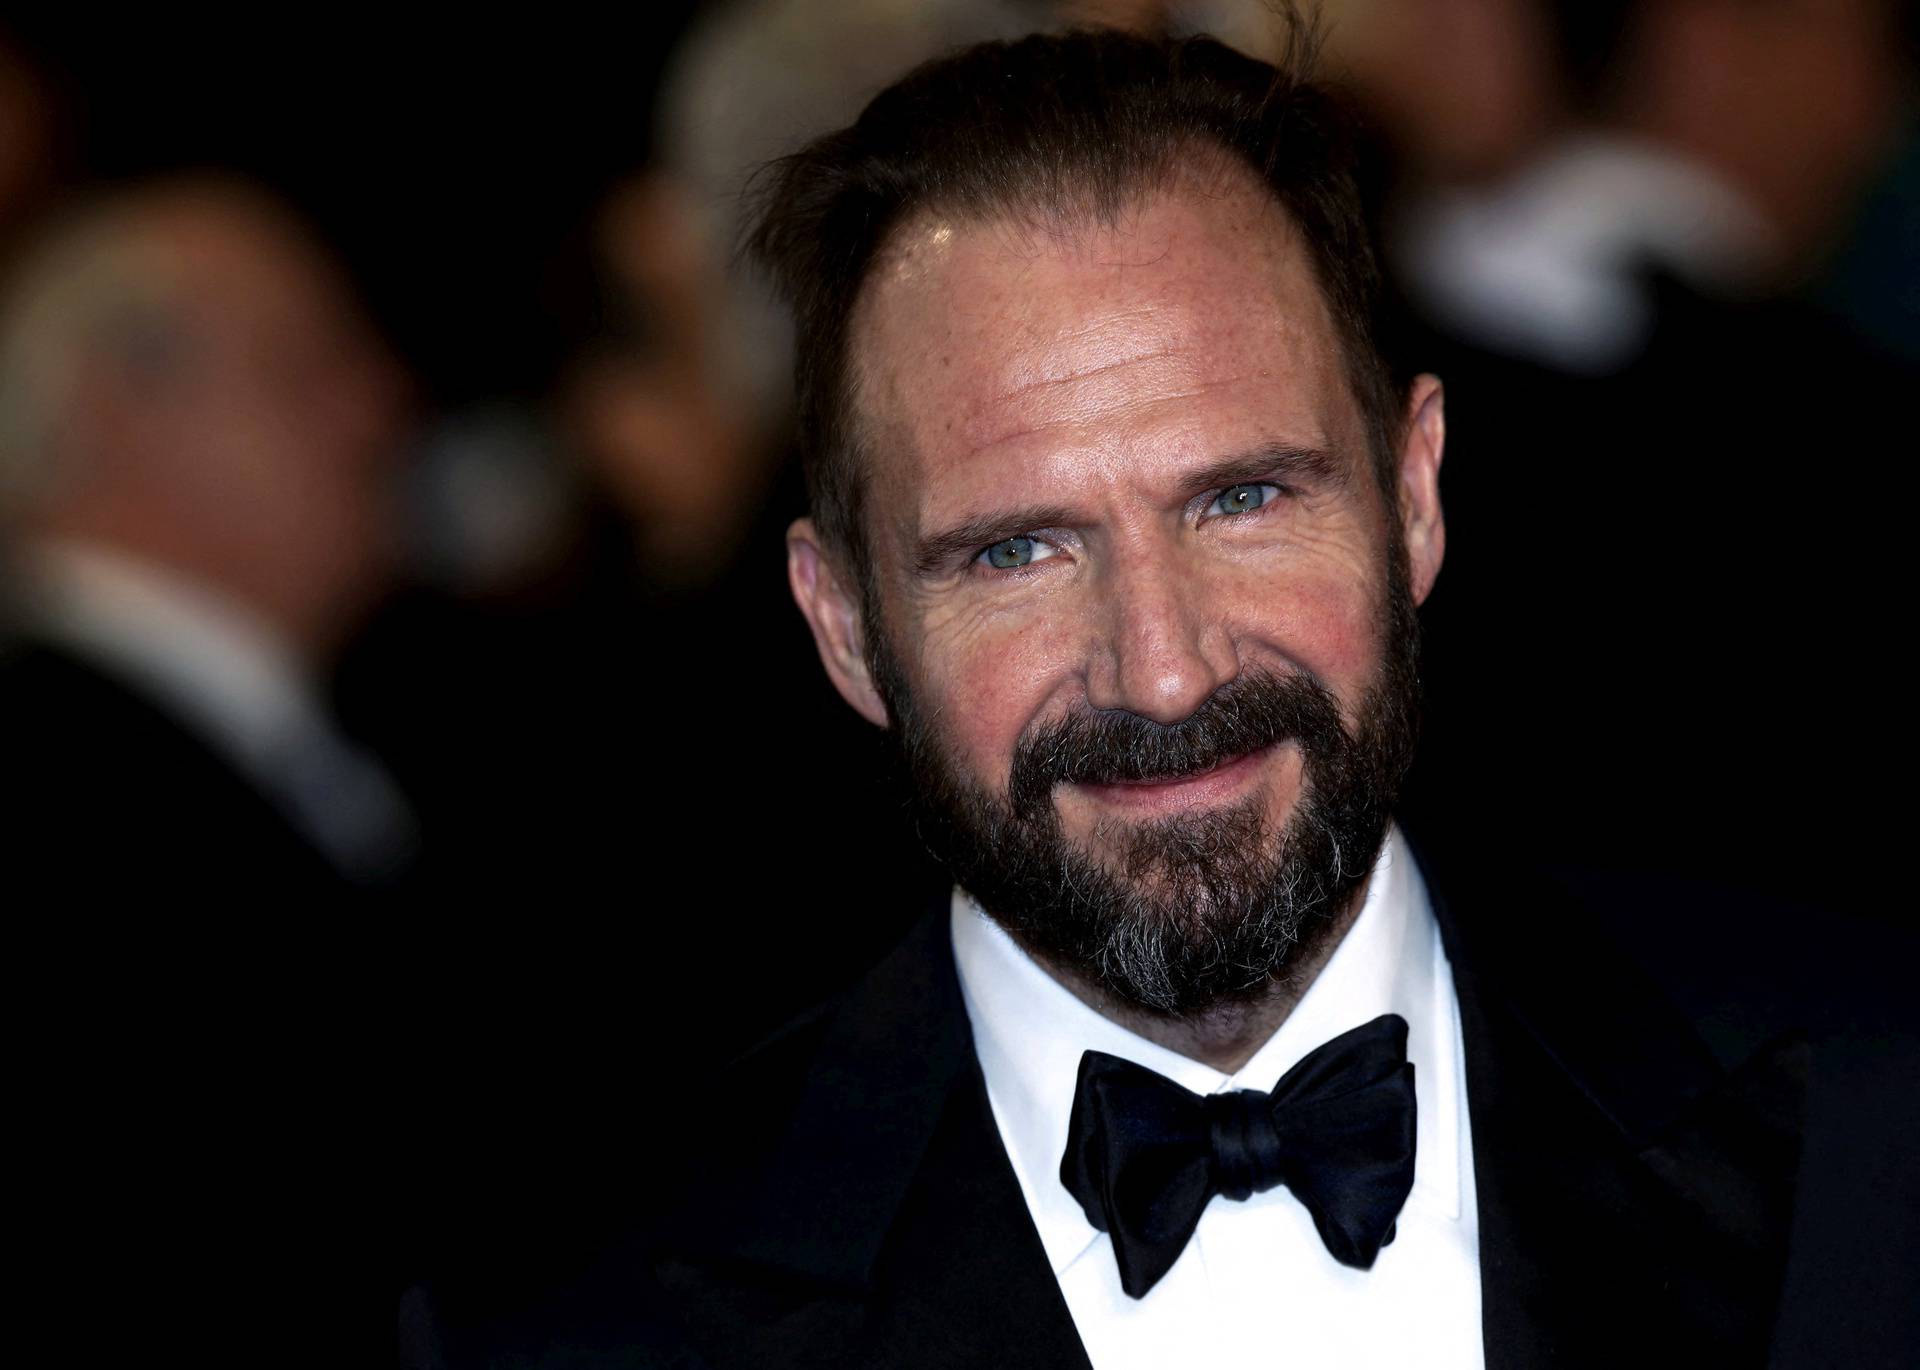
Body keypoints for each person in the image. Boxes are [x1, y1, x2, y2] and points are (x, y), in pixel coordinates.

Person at [415, 23, 1915, 1370]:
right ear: (848, 626)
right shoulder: (577, 1325)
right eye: (1016, 549)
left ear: (1414, 499)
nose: (1167, 665)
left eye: (1243, 498)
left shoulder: (1878, 1116)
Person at [0, 175, 418, 892]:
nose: (379, 404)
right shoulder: (50, 780)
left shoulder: (293, 736)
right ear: (124, 411)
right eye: (303, 369)